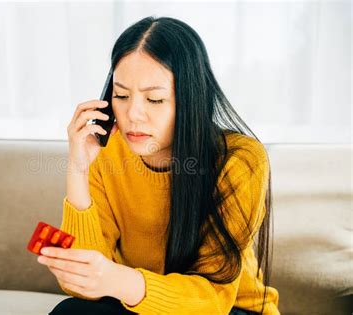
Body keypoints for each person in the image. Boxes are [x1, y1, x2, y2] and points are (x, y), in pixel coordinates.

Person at [38, 15, 280, 315]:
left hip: (227, 310)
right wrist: (78, 169)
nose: (133, 114)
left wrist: (118, 279)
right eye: (121, 95)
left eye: (154, 99)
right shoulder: (107, 150)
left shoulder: (240, 160)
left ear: (190, 98)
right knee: (71, 312)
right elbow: (82, 288)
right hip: (142, 306)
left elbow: (213, 299)